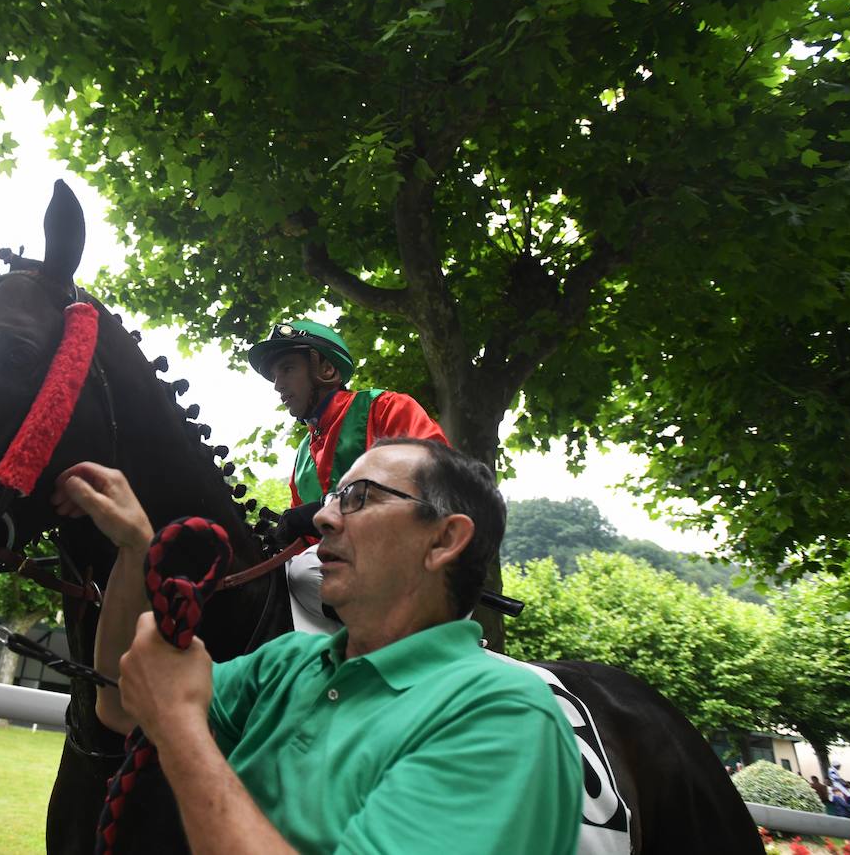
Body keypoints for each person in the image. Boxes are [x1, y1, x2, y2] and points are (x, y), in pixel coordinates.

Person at [54, 438, 582, 854]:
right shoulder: (288, 664)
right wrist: (135, 549)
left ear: (444, 540)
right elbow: (123, 704)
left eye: (361, 498)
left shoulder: (502, 716)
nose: (324, 518)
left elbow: (163, 715)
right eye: (332, 499)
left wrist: (179, 723)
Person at [247, 320, 450, 634]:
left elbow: (437, 481)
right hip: (344, 579)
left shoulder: (386, 407)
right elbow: (312, 544)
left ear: (325, 369)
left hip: (412, 565)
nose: (277, 385)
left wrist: (330, 508)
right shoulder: (302, 455)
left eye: (287, 369)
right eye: (274, 376)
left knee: (302, 573)